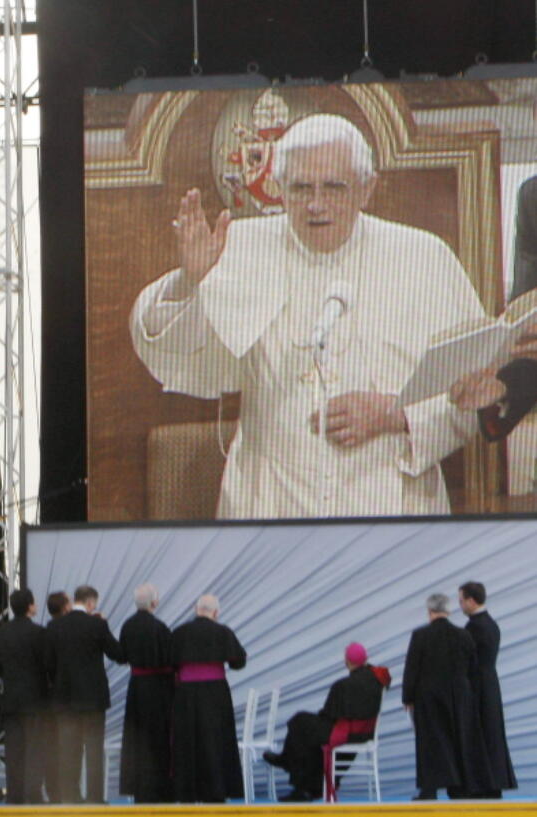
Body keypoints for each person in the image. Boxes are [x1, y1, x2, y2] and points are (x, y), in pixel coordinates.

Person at [130, 113, 486, 519]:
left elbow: (474, 394)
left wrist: (395, 415)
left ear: (366, 188)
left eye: (335, 187)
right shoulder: (237, 248)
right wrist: (192, 283)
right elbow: (169, 352)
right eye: (301, 188)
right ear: (279, 189)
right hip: (269, 507)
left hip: (391, 508)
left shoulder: (424, 258)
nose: (316, 204)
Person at [263, 643, 390, 801]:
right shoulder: (377, 680)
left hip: (345, 733)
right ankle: (305, 782)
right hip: (365, 733)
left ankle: (297, 778)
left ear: (347, 662)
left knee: (300, 723)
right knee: (308, 728)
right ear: (366, 659)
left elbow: (329, 715)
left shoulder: (343, 685)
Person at [403, 592, 493, 799]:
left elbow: (412, 668)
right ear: (448, 610)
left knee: (430, 743)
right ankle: (459, 788)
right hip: (459, 696)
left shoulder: (420, 636)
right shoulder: (463, 635)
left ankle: (429, 790)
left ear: (430, 611)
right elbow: (473, 667)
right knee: (459, 740)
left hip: (428, 696)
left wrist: (407, 697)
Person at [45, 584, 125, 804]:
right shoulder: (97, 624)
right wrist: (104, 625)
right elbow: (118, 654)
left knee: (68, 751)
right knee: (94, 750)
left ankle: (70, 797)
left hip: (64, 698)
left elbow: (49, 664)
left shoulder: (54, 626)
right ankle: (95, 798)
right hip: (92, 698)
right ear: (91, 603)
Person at [171, 594, 247, 803]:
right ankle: (216, 792)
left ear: (196, 610)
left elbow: (169, 661)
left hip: (186, 694)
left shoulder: (179, 633)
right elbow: (238, 662)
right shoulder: (223, 632)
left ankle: (186, 792)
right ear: (215, 613)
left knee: (187, 741)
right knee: (215, 741)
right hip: (215, 694)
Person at [458, 582, 516, 798]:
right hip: (491, 684)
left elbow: (466, 660)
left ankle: (480, 785)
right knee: (492, 735)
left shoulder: (474, 627)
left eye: (462, 600)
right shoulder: (492, 624)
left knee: (478, 735)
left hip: (477, 687)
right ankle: (493, 784)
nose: (461, 605)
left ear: (472, 601)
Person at [118, 583, 174, 803]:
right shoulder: (160, 627)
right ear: (154, 602)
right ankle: (162, 788)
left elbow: (122, 656)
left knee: (137, 739)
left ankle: (141, 790)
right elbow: (170, 657)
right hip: (160, 689)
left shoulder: (128, 626)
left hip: (137, 688)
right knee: (159, 738)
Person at [0, 588, 48, 805]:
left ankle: (14, 795)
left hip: (11, 698)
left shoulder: (3, 632)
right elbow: (46, 663)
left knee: (14, 749)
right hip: (34, 699)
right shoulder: (38, 632)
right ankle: (33, 793)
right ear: (29, 606)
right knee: (34, 748)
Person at [41, 590, 70, 802]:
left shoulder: (48, 630)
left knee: (52, 747)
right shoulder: (67, 629)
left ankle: (53, 790)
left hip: (51, 697)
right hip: (66, 698)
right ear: (65, 606)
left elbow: (47, 664)